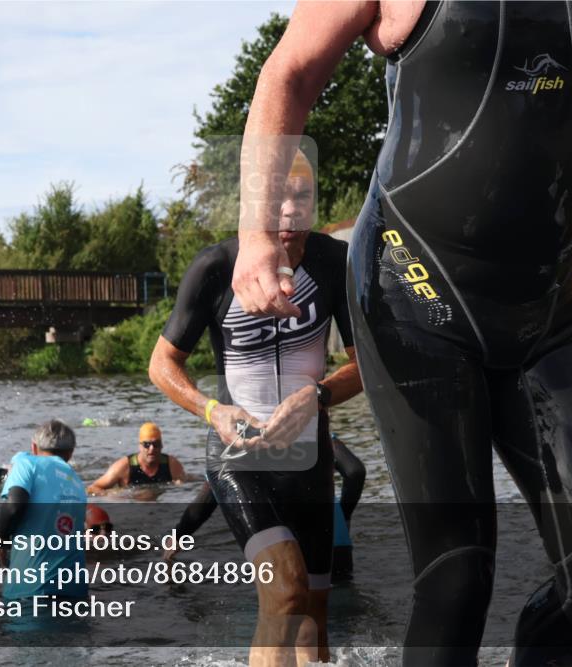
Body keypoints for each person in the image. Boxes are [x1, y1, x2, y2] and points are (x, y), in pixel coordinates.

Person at [228, 3, 572, 665]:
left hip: (549, 304)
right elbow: (288, 73)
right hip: (410, 289)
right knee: (457, 578)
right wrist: (256, 236)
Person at [148, 149, 363, 666]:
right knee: (284, 589)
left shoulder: (336, 264)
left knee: (313, 618)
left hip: (308, 460)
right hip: (237, 458)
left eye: (302, 197)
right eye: (276, 199)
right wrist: (211, 410)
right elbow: (161, 364)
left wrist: (317, 395)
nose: (289, 213)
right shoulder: (216, 267)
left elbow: (365, 366)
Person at [165, 434, 365, 581]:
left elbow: (205, 504)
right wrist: (342, 515)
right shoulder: (314, 429)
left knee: (286, 623)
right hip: (336, 543)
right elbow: (355, 472)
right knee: (341, 622)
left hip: (286, 548)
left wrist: (177, 536)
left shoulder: (237, 443)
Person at [0, 420, 88, 601]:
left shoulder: (26, 462)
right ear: (70, 453)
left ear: (34, 447)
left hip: (30, 591)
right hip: (76, 592)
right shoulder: (77, 482)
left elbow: (14, 506)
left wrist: (1, 540)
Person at [86, 423, 186, 495]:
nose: (152, 449)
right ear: (140, 446)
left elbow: (184, 487)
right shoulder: (123, 467)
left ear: (162, 446)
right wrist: (110, 494)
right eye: (147, 445)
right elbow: (92, 488)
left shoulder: (172, 465)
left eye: (156, 444)